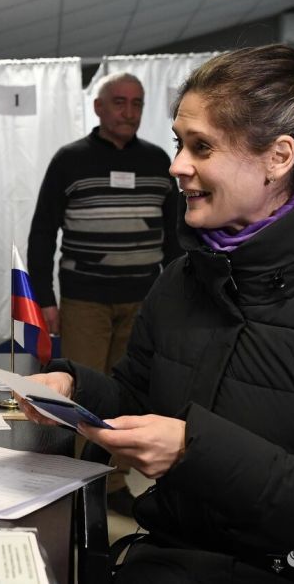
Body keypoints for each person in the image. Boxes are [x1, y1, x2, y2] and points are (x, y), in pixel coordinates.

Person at [20, 30, 294, 583]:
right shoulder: (181, 283)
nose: (177, 166)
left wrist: (193, 451)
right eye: (179, 144)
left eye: (202, 147)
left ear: (278, 158)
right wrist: (74, 387)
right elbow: (139, 398)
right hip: (173, 561)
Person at [27, 73, 181, 375]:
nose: (129, 113)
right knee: (83, 386)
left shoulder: (158, 160)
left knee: (133, 387)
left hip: (144, 300)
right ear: (98, 107)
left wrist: (176, 295)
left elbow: (175, 237)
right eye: (119, 103)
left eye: (137, 104)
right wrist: (44, 299)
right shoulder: (69, 160)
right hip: (85, 301)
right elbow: (42, 233)